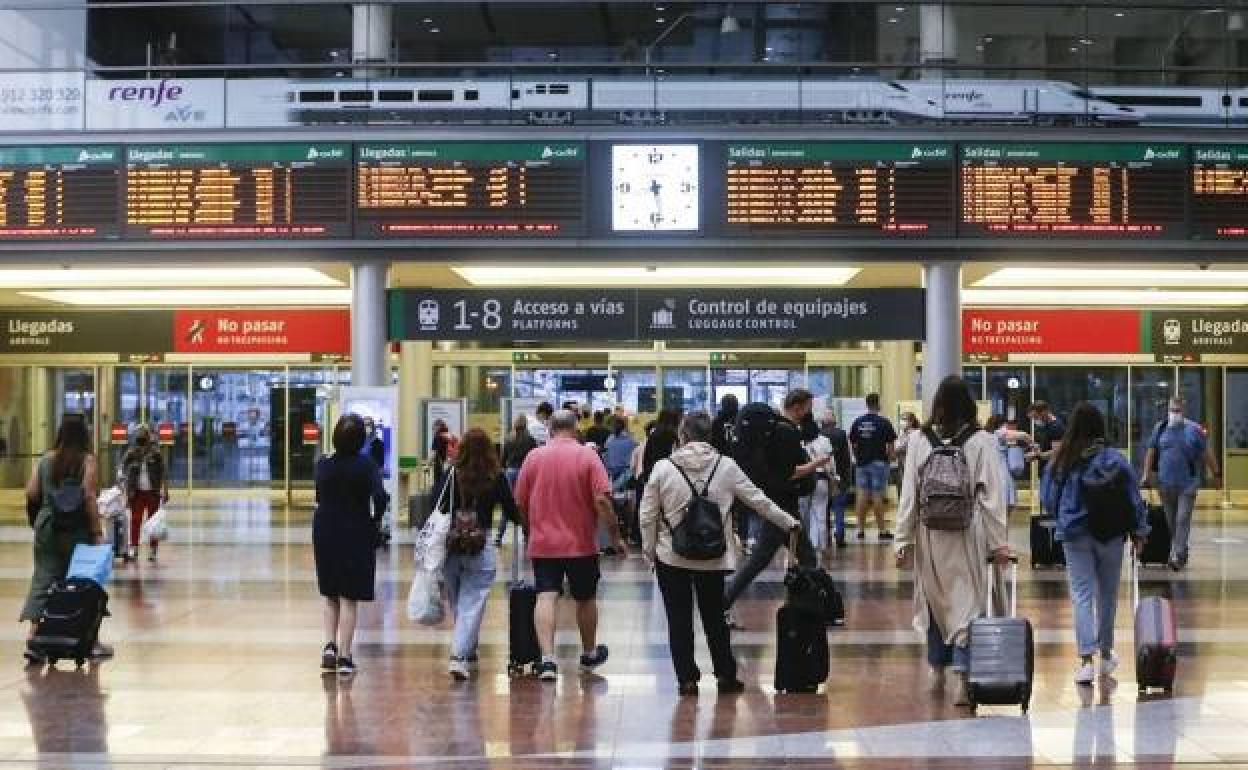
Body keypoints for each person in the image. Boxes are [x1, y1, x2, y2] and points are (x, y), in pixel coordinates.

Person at [640, 411, 799, 696]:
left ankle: (687, 679)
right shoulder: (727, 466)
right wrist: (789, 522)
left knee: (678, 619)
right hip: (713, 556)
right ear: (710, 436)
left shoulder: (663, 468)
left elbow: (646, 515)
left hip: (671, 556)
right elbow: (758, 500)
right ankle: (725, 674)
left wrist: (650, 552)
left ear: (682, 436)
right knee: (714, 616)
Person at [895, 376, 1009, 707]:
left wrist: (902, 540)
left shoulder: (919, 439)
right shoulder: (983, 441)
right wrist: (999, 542)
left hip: (930, 534)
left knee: (935, 601)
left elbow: (909, 495)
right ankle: (962, 675)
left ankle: (936, 668)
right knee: (968, 602)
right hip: (967, 531)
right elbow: (991, 497)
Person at [1041, 402, 1150, 685]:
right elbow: (1134, 498)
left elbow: (1049, 498)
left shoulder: (1062, 458)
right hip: (1112, 535)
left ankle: (1086, 661)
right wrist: (1140, 531)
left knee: (1081, 595)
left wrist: (1063, 516)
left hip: (1075, 534)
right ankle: (1106, 652)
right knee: (1108, 595)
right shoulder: (1115, 459)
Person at [513, 409, 626, 681]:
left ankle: (548, 660)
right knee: (585, 598)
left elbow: (520, 502)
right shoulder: (588, 455)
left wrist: (531, 531)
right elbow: (601, 500)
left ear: (551, 429)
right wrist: (615, 537)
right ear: (576, 429)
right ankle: (588, 654)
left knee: (546, 596)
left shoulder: (534, 457)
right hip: (580, 544)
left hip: (543, 543)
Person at [723, 389, 827, 613]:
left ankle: (805, 605)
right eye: (808, 407)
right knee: (761, 560)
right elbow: (788, 472)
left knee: (804, 557)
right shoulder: (785, 432)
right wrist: (815, 464)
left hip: (777, 503)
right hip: (782, 506)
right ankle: (725, 601)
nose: (810, 412)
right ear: (798, 407)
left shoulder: (774, 430)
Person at [436, 428, 521, 681]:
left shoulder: (451, 474)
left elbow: (435, 505)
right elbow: (511, 510)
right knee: (471, 603)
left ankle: (467, 649)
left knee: (459, 602)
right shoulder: (496, 477)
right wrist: (525, 522)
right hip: (480, 546)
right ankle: (459, 656)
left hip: (450, 547)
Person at [21, 417, 106, 665]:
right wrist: (96, 531)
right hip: (76, 527)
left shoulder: (46, 459)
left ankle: (35, 639)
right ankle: (88, 639)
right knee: (85, 582)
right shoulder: (87, 460)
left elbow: (31, 492)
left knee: (43, 577)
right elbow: (89, 496)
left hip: (47, 525)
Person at [313, 414, 388, 676]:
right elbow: (380, 497)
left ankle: (329, 646)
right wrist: (376, 520)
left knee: (330, 593)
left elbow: (319, 496)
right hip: (355, 529)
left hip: (325, 529)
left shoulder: (323, 464)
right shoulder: (366, 466)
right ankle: (345, 657)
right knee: (349, 597)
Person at [1143, 397, 1221, 571]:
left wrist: (1216, 473)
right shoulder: (1160, 428)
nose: (1174, 413)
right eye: (1172, 410)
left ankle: (1176, 556)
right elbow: (1151, 452)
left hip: (1187, 484)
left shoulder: (1194, 430)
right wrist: (1146, 475)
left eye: (1177, 410)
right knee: (1171, 523)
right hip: (1165, 484)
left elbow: (1206, 453)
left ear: (1184, 411)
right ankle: (1182, 551)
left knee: (1182, 518)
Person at [850, 393, 898, 542]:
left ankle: (860, 530)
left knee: (862, 496)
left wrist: (858, 457)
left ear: (867, 404)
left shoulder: (858, 422)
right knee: (877, 496)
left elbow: (853, 443)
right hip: (879, 462)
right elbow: (891, 445)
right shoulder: (884, 422)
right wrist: (890, 459)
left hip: (862, 463)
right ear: (878, 404)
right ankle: (882, 531)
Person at [120, 425, 169, 564]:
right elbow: (122, 467)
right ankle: (134, 548)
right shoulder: (132, 452)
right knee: (135, 520)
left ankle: (153, 550)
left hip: (152, 491)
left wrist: (165, 490)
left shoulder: (156, 453)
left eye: (143, 436)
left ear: (148, 437)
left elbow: (164, 472)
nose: (141, 439)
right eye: (138, 436)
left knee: (153, 523)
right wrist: (123, 484)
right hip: (136, 492)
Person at [799, 411, 835, 564]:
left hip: (803, 480)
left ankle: (805, 546)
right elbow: (831, 464)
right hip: (821, 480)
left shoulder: (799, 441)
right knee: (820, 514)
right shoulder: (824, 441)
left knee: (803, 515)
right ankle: (819, 545)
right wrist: (834, 478)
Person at [496, 414, 538, 546]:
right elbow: (534, 458)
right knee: (525, 504)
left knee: (507, 503)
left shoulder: (508, 439)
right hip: (524, 472)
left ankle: (499, 536)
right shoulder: (530, 440)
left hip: (510, 472)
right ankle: (527, 535)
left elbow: (502, 460)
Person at [985, 415, 1033, 512]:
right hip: (1001, 472)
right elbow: (1023, 435)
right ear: (1001, 424)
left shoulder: (986, 435)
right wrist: (1032, 444)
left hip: (990, 471)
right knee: (1005, 505)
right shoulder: (999, 432)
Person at [821, 414, 854, 549]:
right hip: (839, 476)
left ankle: (826, 536)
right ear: (835, 422)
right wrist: (847, 478)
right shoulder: (842, 434)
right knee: (839, 508)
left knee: (824, 509)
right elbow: (846, 458)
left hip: (823, 477)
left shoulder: (819, 435)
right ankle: (840, 536)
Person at [1027, 401, 1065, 467]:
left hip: (1053, 467)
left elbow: (1056, 452)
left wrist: (1037, 456)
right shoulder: (1045, 425)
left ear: (1044, 412)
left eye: (1035, 417)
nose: (1035, 420)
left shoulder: (1055, 427)